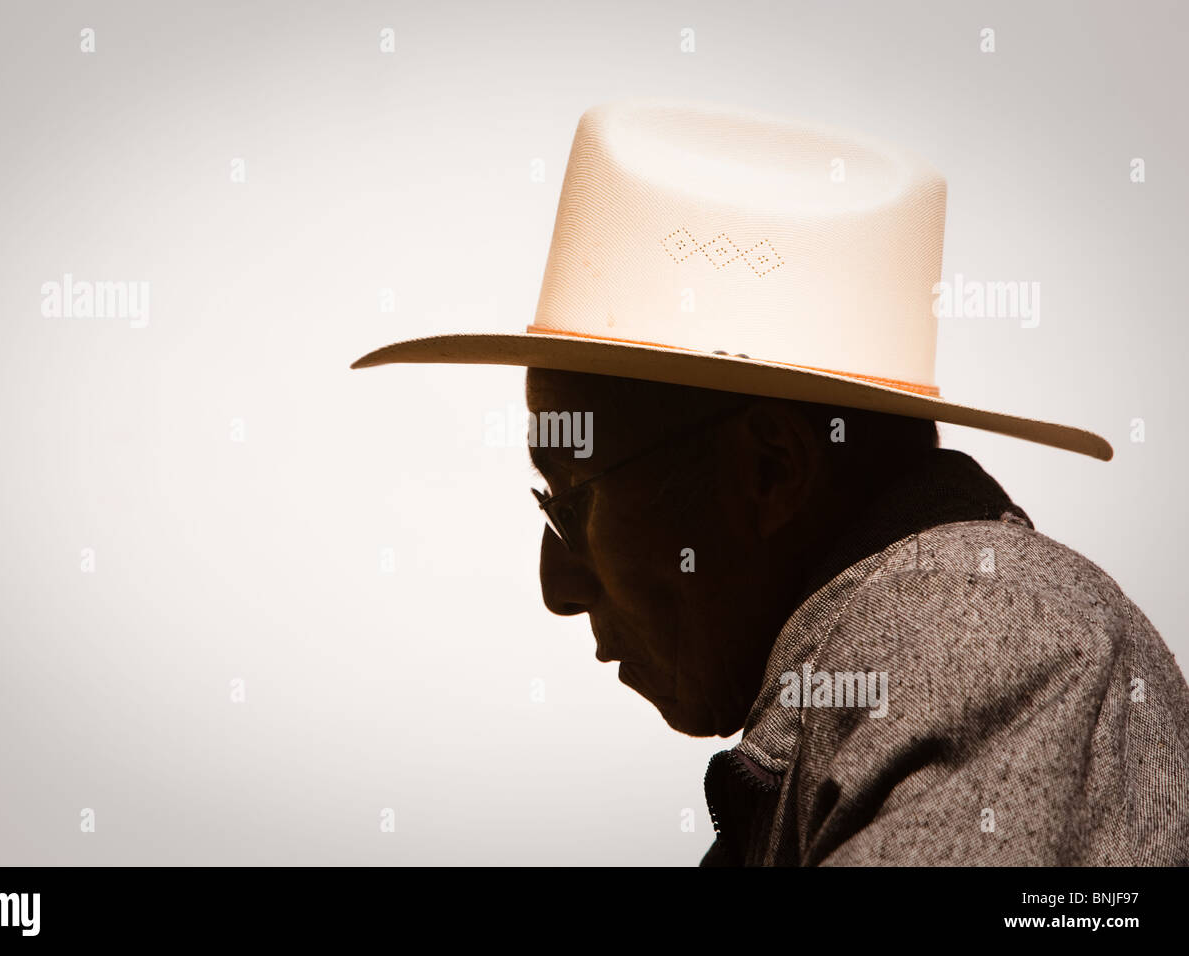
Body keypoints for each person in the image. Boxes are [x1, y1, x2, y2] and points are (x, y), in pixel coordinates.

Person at [351, 96, 1189, 864]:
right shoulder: (938, 643)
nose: (557, 585)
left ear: (771, 471)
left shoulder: (986, 631)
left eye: (574, 500)